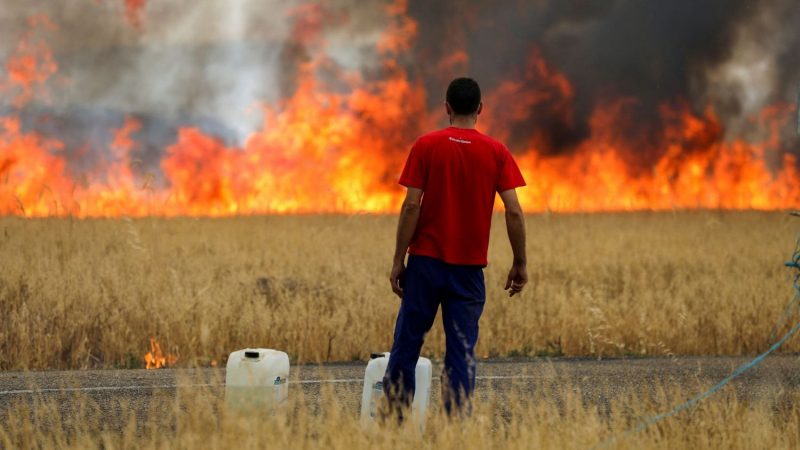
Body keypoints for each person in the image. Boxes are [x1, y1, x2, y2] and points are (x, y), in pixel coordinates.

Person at [384, 77, 528, 418]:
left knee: (407, 343)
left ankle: (394, 422)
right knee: (461, 351)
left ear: (446, 106)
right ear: (480, 109)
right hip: (468, 272)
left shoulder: (426, 145)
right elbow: (514, 210)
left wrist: (397, 260)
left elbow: (411, 205)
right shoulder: (496, 152)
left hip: (425, 265)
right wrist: (520, 262)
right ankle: (456, 426)